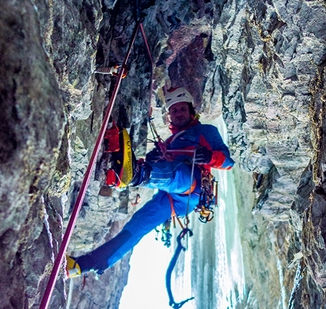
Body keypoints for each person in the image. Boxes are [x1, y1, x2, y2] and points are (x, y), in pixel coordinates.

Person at [66, 87, 234, 277]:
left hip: (192, 187)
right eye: (174, 110)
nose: (178, 114)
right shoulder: (170, 142)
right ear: (169, 115)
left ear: (191, 111)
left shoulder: (205, 131)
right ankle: (82, 265)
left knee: (177, 175)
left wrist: (211, 156)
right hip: (172, 197)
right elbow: (162, 167)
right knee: (138, 225)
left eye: (182, 109)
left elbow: (228, 161)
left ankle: (136, 175)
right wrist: (153, 158)